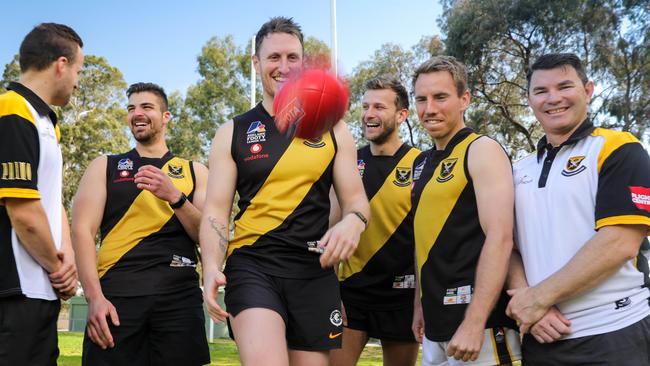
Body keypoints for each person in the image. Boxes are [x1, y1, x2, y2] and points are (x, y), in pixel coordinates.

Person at [199, 16, 370, 366]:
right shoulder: (232, 132)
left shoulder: (333, 129)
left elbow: (356, 202)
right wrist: (212, 265)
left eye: (293, 58)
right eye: (274, 57)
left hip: (313, 269)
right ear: (256, 62)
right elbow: (216, 210)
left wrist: (353, 223)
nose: (283, 66)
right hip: (253, 265)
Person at [506, 53, 650, 365]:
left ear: (588, 90)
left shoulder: (619, 148)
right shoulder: (518, 170)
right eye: (541, 91)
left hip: (614, 333)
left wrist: (538, 298)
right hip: (541, 335)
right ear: (529, 100)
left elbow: (621, 242)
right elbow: (507, 246)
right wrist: (523, 297)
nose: (553, 98)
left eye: (564, 86)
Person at [72, 82, 210, 366]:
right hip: (117, 298)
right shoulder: (105, 166)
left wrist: (175, 196)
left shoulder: (195, 171)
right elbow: (82, 231)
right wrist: (94, 298)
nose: (137, 113)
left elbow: (210, 237)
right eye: (131, 108)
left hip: (179, 299)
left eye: (147, 107)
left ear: (166, 116)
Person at [410, 56, 521, 365]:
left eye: (440, 97)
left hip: (480, 326)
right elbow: (425, 239)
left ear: (464, 99)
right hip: (435, 325)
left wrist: (474, 322)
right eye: (421, 99)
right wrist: (420, 306)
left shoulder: (481, 149)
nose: (429, 108)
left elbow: (500, 237)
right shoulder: (422, 162)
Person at [0, 23, 83, 366]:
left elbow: (51, 201)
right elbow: (22, 209)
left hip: (40, 290)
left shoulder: (48, 121)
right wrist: (56, 267)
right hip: (13, 290)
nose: (78, 80)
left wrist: (68, 260)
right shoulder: (12, 109)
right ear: (61, 64)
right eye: (79, 69)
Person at [330, 76, 420, 366]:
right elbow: (329, 228)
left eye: (379, 106)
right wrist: (330, 291)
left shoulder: (422, 163)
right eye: (366, 105)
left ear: (401, 114)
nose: (369, 114)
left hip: (402, 297)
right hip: (351, 293)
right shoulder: (346, 163)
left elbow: (428, 239)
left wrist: (421, 300)